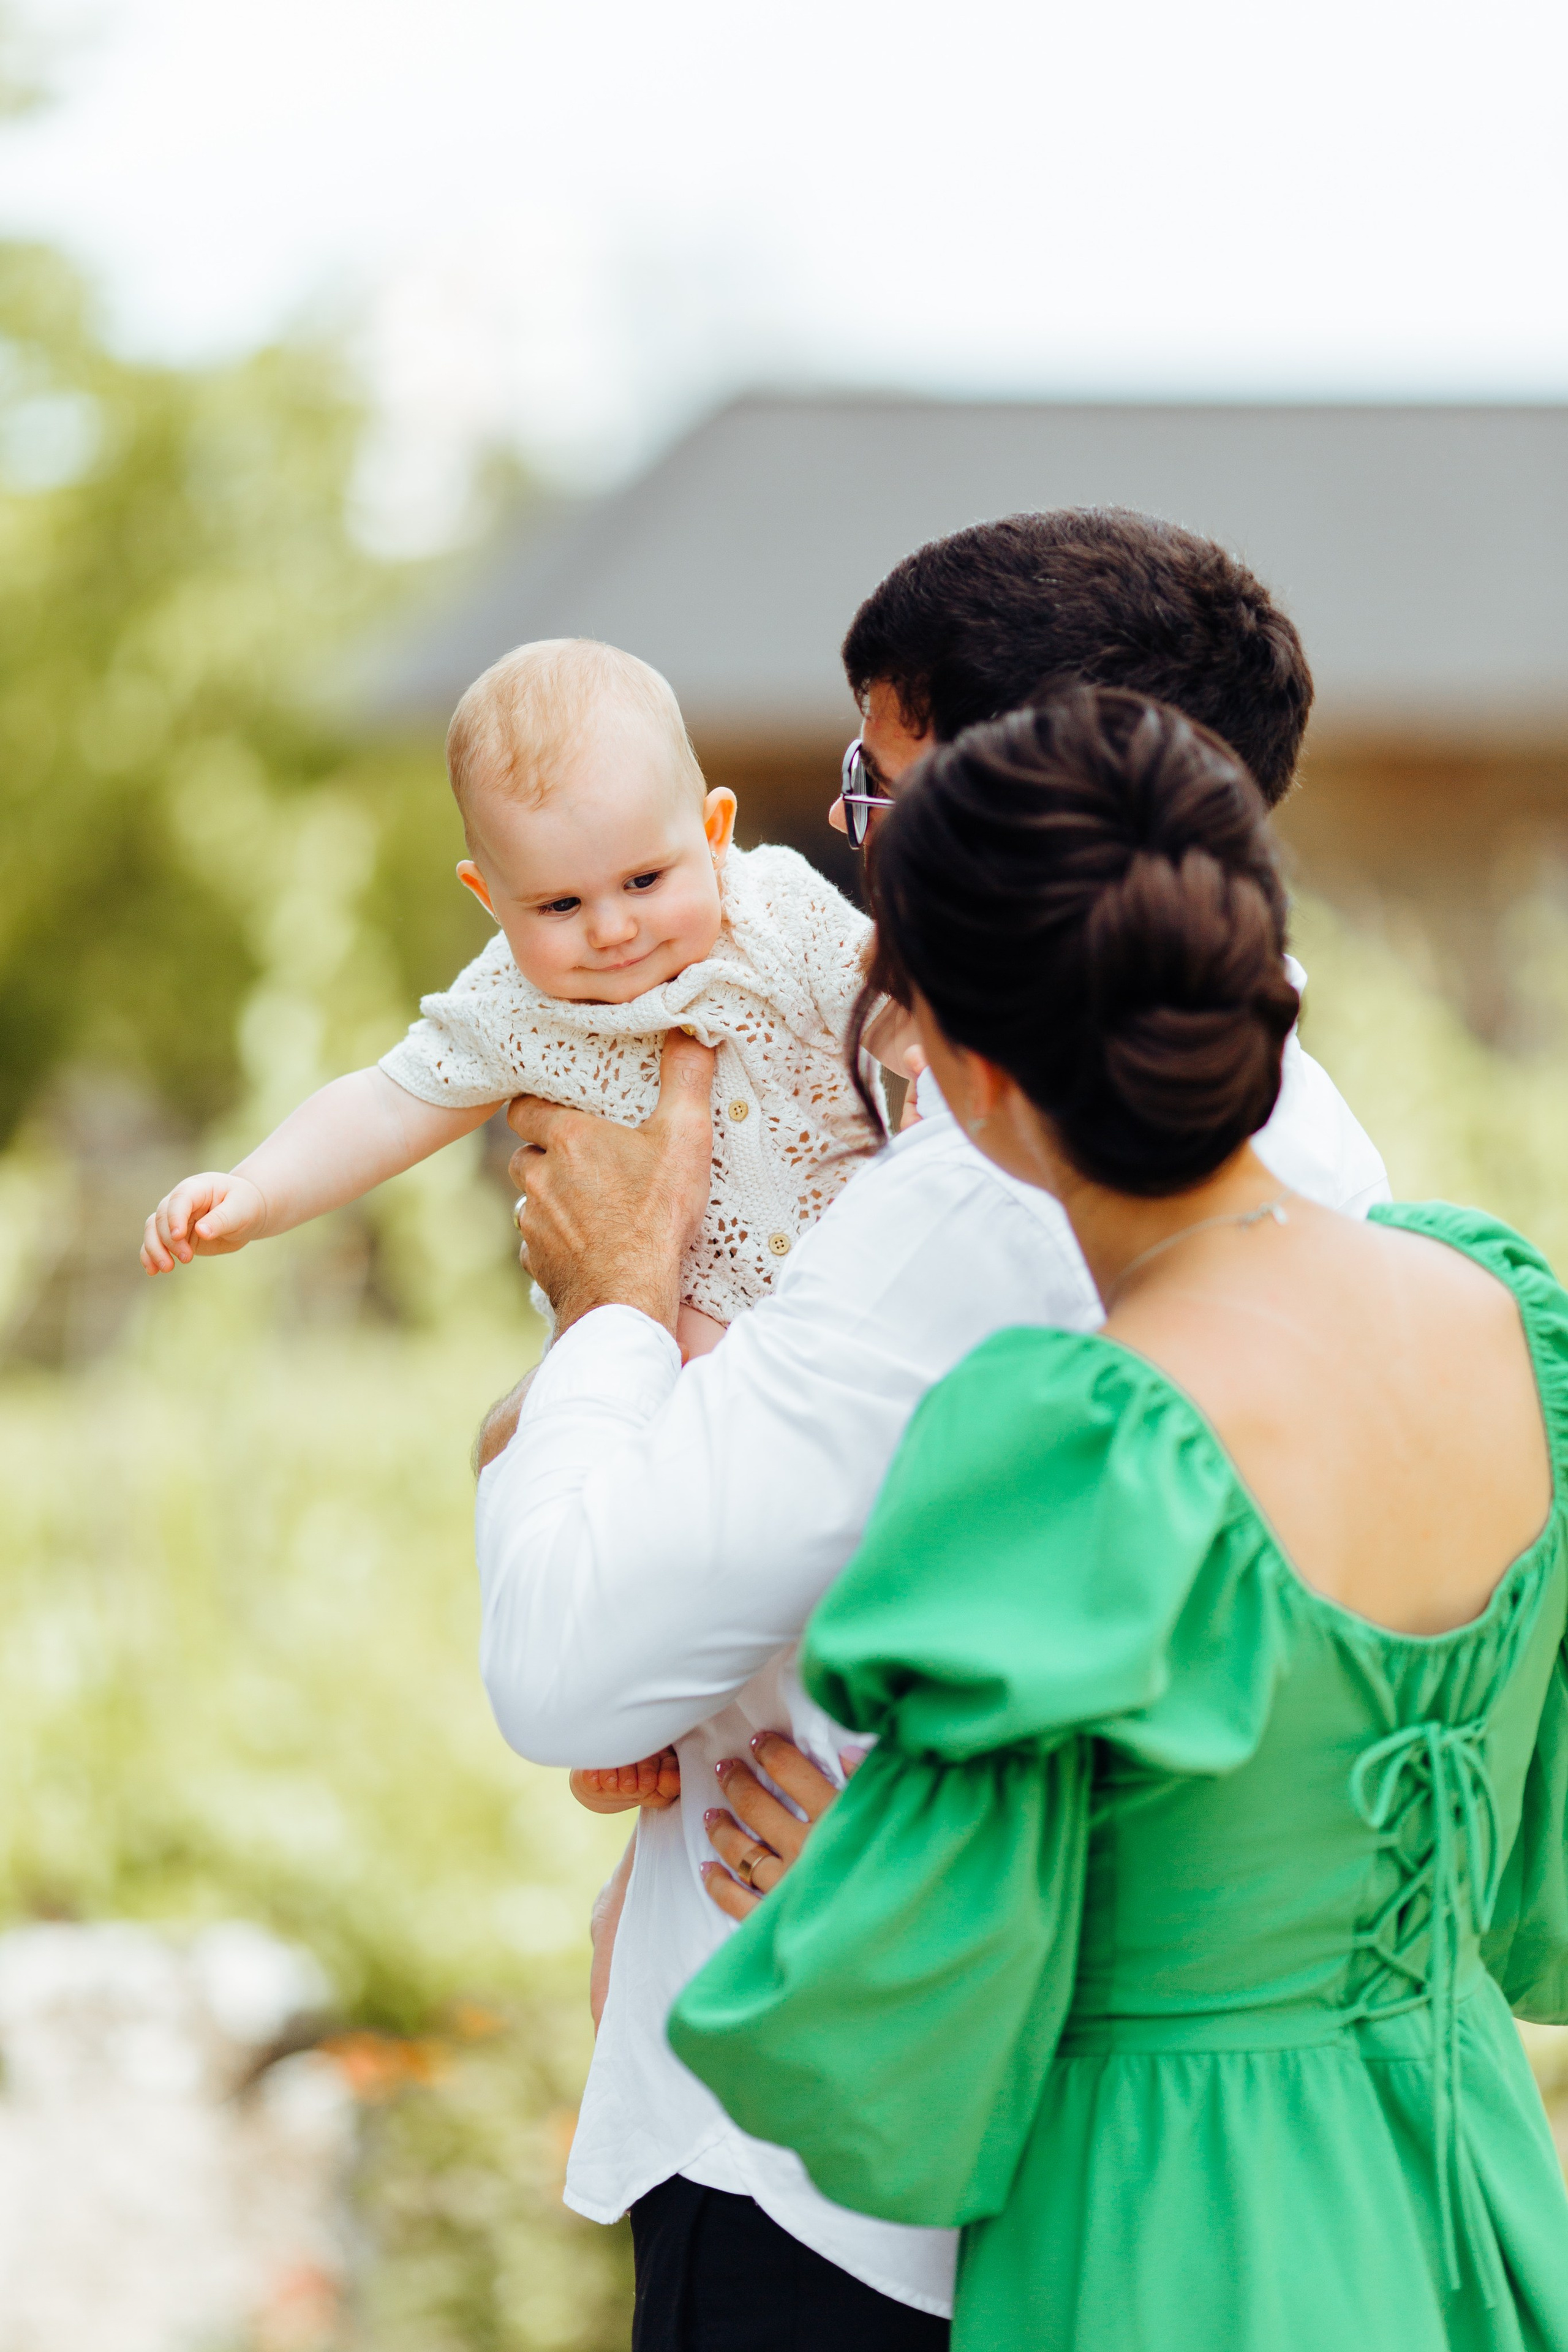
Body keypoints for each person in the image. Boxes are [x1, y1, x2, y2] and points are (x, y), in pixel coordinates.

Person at [476, 511, 1392, 2347]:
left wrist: (607, 1315)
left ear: (1022, 808)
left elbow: (571, 1667)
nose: (846, 843)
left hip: (834, 2156)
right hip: (1178, 2165)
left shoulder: (977, 1196)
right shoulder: (1323, 1150)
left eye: (873, 789)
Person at [669, 687, 1568, 2352]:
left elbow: (897, 2059)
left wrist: (844, 1908)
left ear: (976, 1070)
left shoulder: (1089, 1440)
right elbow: (1540, 1885)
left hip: (1186, 2235)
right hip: (1472, 2200)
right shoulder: (1507, 1318)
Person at [138, 638, 909, 1361]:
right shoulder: (511, 1006)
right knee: (676, 1359)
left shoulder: (779, 909)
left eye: (644, 881)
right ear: (490, 898)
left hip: (862, 1265)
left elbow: (903, 1010)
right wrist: (256, 1190)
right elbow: (383, 1107)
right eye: (559, 906)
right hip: (684, 1326)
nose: (612, 929)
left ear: (713, 831)